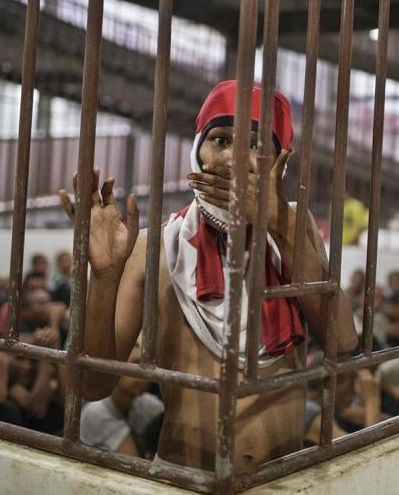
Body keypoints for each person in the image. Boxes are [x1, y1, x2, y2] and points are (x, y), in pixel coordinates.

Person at [58, 80, 358, 472]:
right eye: (219, 139)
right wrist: (104, 276)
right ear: (197, 149)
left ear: (278, 164)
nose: (234, 158)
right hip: (186, 478)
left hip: (281, 481)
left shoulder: (294, 231)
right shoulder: (154, 247)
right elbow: (92, 386)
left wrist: (279, 225)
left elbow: (342, 342)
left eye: (254, 146)